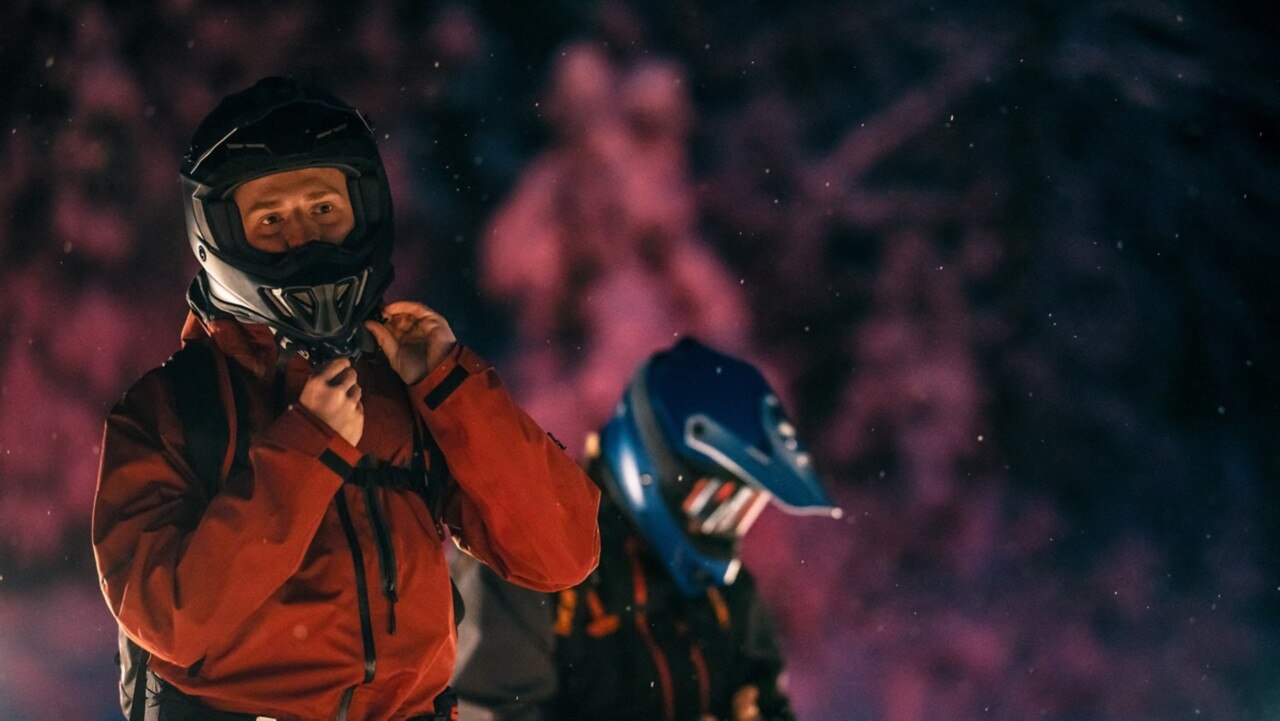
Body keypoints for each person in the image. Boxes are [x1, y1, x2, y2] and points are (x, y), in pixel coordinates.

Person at [91, 77, 601, 721]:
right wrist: (307, 447)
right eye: (271, 219)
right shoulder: (168, 409)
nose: (303, 238)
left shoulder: (401, 385)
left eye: (324, 210)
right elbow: (170, 619)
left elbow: (561, 551)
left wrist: (450, 385)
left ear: (364, 210)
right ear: (217, 233)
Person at [450, 338, 841, 721]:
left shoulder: (726, 596)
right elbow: (481, 708)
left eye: (744, 509)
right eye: (719, 502)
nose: (727, 526)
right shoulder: (526, 565)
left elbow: (767, 699)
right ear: (661, 470)